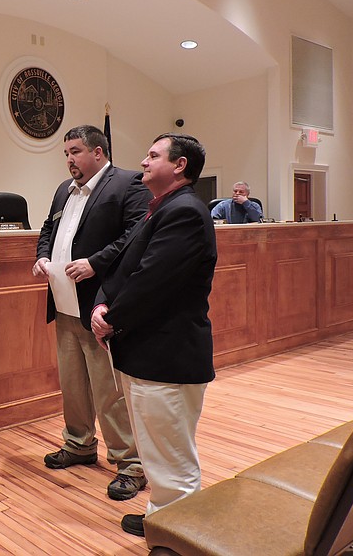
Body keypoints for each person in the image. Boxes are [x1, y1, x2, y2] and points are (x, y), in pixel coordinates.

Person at [90, 133, 217, 538]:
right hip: (146, 350)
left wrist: (113, 319)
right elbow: (121, 264)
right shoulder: (157, 208)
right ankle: (161, 517)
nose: (143, 162)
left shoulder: (185, 212)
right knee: (155, 447)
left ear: (179, 166)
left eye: (153, 155)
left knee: (171, 453)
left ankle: (177, 538)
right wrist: (101, 304)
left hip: (168, 354)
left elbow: (153, 280)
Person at [33, 124, 151, 500]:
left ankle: (130, 463)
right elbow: (47, 232)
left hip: (99, 304)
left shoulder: (127, 183)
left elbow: (136, 235)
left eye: (75, 152)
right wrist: (42, 257)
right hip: (63, 303)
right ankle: (79, 444)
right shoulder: (61, 190)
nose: (69, 159)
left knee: (109, 390)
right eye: (66, 153)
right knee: (72, 384)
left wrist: (95, 263)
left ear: (98, 152)